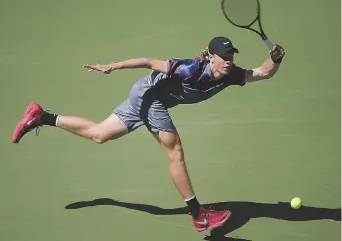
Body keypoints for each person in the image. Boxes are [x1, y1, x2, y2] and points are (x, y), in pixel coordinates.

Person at [12, 36, 285, 232]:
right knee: (175, 151)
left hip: (143, 95)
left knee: (99, 134)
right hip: (149, 97)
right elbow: (147, 61)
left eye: (231, 56)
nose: (228, 61)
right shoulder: (190, 68)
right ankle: (198, 214)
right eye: (223, 57)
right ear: (210, 57)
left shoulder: (230, 74)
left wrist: (274, 60)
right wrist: (112, 66)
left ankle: (41, 116)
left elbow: (261, 73)